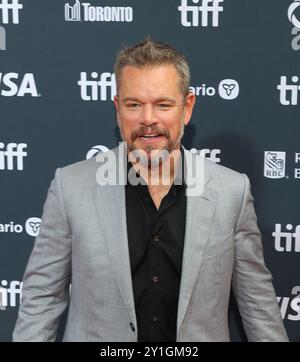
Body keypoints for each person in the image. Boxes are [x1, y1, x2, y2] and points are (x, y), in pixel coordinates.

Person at [13, 38, 288, 342]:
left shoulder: (231, 191)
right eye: (134, 104)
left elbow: (257, 304)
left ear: (187, 108)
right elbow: (42, 299)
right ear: (118, 109)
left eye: (163, 104)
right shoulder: (71, 187)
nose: (148, 119)